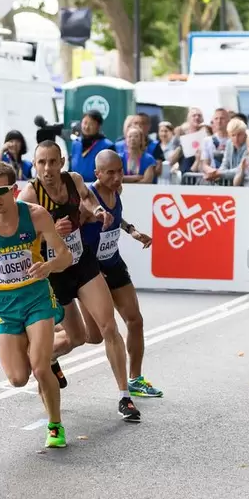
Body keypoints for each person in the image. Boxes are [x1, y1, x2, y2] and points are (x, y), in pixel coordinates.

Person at [19, 141, 141, 422]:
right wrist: (49, 230)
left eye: (52, 162)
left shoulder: (73, 180)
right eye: (41, 163)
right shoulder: (30, 195)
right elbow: (18, 237)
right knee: (77, 337)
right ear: (34, 165)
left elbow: (87, 198)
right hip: (55, 273)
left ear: (61, 162)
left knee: (108, 326)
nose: (47, 169)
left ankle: (125, 397)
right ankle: (46, 358)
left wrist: (97, 211)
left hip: (82, 263)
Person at [0, 160, 71, 448]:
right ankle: (41, 349)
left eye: (2, 191)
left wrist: (49, 266)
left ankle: (55, 425)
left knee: (40, 368)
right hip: (3, 302)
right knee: (18, 379)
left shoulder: (35, 215)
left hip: (36, 297)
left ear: (14, 190)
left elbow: (65, 256)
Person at [80, 150, 163, 398]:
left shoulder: (116, 190)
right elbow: (74, 234)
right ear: (97, 173)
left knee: (135, 320)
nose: (117, 177)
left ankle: (135, 379)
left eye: (120, 171)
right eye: (110, 173)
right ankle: (53, 336)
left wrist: (131, 230)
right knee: (92, 335)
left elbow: (116, 217)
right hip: (92, 272)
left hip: (113, 263)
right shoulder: (87, 200)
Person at [70, 110, 114, 181]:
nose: (86, 127)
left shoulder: (107, 146)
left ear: (98, 126)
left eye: (91, 124)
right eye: (85, 123)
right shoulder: (76, 143)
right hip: (76, 185)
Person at [202, 118, 248, 184]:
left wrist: (219, 173)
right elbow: (225, 164)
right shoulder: (229, 143)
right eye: (233, 135)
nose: (236, 138)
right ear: (229, 135)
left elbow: (240, 169)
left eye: (239, 134)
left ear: (245, 134)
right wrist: (218, 173)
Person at [168, 107, 205, 176]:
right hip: (186, 174)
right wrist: (184, 145)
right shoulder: (180, 135)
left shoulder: (206, 134)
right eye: (194, 115)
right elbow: (171, 161)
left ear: (202, 119)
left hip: (202, 174)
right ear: (188, 119)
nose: (197, 117)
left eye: (199, 115)